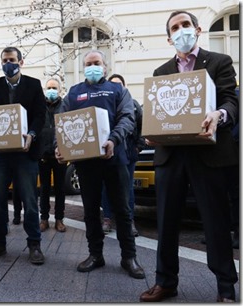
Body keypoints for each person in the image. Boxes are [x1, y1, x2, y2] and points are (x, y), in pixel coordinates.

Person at [139, 11, 239, 303]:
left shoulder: (219, 62)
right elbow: (155, 112)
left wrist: (219, 115)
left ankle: (225, 288)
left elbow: (231, 101)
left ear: (198, 29)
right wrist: (150, 131)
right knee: (166, 222)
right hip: (171, 155)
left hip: (209, 154)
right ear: (169, 37)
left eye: (185, 25)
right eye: (175, 28)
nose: (181, 31)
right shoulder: (161, 72)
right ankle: (165, 282)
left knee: (216, 221)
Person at [55, 50, 145, 279]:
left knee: (123, 211)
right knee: (91, 211)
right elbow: (62, 122)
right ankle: (96, 254)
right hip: (86, 164)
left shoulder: (118, 90)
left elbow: (128, 118)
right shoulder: (74, 93)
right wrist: (60, 146)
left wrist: (114, 139)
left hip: (114, 160)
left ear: (105, 66)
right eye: (88, 64)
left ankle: (129, 257)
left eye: (96, 63)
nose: (92, 67)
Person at [0, 46, 46, 265]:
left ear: (21, 62)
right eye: (4, 60)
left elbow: (40, 115)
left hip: (25, 153)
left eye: (11, 60)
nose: (7, 64)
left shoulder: (34, 84)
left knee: (30, 200)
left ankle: (34, 244)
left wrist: (32, 134)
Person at [101, 74, 145, 236]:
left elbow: (142, 126)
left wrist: (138, 147)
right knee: (106, 187)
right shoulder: (105, 103)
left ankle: (129, 221)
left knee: (128, 188)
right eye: (112, 85)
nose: (116, 88)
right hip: (109, 153)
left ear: (124, 86)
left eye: (119, 84)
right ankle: (107, 219)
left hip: (128, 153)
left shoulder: (133, 105)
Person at [39, 77, 67, 233]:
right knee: (44, 188)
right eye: (49, 87)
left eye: (54, 88)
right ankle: (44, 219)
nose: (51, 91)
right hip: (43, 154)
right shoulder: (39, 106)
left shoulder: (65, 105)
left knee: (60, 188)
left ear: (60, 90)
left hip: (60, 154)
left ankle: (59, 219)